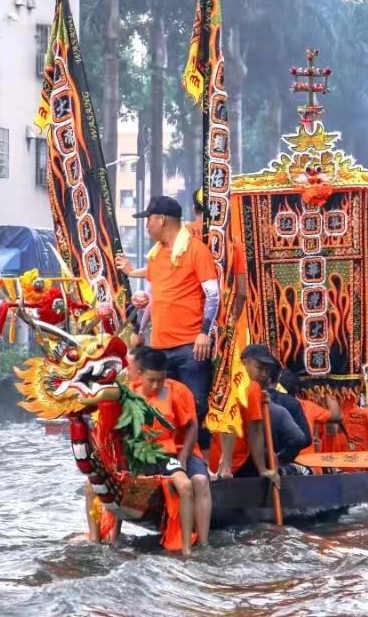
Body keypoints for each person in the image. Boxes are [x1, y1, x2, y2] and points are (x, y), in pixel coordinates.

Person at [115, 195, 220, 447]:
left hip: (190, 346)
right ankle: (168, 460)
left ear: (161, 220)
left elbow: (213, 294)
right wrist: (139, 330)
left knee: (195, 407)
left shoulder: (196, 250)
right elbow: (153, 297)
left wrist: (204, 332)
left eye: (148, 219)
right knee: (160, 406)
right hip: (159, 347)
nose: (146, 225)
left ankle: (199, 464)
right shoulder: (155, 256)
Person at [133, 348, 209, 554]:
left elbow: (192, 424)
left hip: (171, 453)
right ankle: (110, 540)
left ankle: (192, 546)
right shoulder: (129, 393)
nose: (156, 385)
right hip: (141, 455)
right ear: (140, 375)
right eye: (151, 380)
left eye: (161, 379)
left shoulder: (175, 392)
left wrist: (183, 458)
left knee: (190, 484)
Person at [209, 344, 278, 486]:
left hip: (215, 459)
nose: (264, 374)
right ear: (245, 362)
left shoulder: (224, 379)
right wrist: (263, 470)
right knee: (274, 460)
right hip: (237, 461)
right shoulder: (251, 387)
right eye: (259, 368)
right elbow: (255, 431)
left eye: (267, 370)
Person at [190, 189, 248, 328]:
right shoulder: (234, 243)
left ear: (194, 209)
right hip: (219, 325)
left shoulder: (182, 237)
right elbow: (242, 293)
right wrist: (232, 321)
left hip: (187, 324)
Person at [267, 368, 314, 463]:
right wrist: (282, 458)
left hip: (246, 466)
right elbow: (305, 438)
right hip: (286, 463)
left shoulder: (246, 400)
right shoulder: (293, 402)